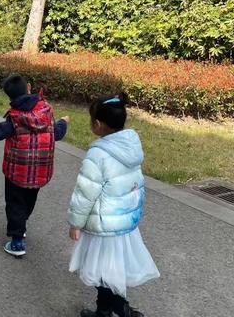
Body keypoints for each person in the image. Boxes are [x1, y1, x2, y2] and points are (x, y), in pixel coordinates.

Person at [67, 94, 159, 317]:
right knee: (107, 270)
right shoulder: (131, 145)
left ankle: (121, 308)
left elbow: (85, 193)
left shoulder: (98, 154)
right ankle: (104, 310)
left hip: (104, 224)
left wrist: (75, 223)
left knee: (102, 272)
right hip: (124, 221)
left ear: (97, 124)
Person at [0, 74, 69, 257]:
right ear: (28, 87)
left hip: (17, 171)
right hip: (41, 170)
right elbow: (57, 134)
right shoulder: (46, 111)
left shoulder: (14, 117)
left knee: (14, 203)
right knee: (29, 199)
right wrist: (63, 122)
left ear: (9, 97)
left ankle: (17, 241)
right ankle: (22, 223)